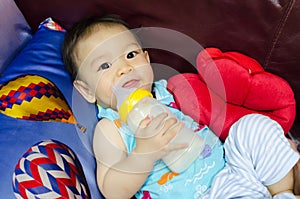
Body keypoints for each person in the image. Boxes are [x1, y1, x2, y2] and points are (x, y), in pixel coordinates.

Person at [62, 15, 300, 199]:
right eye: (104, 66)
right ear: (86, 90)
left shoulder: (166, 93)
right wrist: (143, 152)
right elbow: (111, 189)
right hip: (199, 195)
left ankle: (282, 191)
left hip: (231, 168)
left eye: (131, 54)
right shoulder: (110, 128)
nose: (124, 68)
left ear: (147, 60)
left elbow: (211, 114)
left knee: (251, 127)